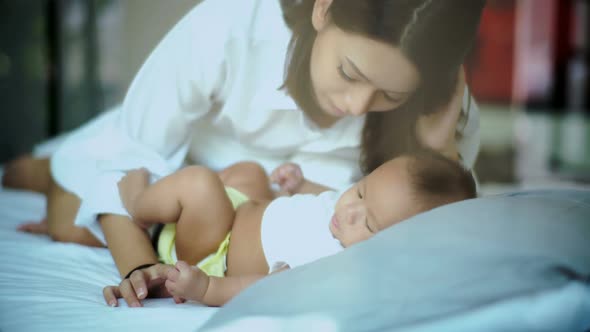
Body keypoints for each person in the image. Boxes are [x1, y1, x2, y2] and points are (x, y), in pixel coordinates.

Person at [2, 0, 486, 305]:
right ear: (322, 9)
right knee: (74, 213)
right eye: (349, 73)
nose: (358, 106)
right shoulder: (230, 26)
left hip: (247, 196)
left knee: (98, 218)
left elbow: (437, 214)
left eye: (390, 96)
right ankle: (51, 167)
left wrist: (436, 146)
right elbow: (136, 152)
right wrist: (138, 268)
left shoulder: (439, 111)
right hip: (174, 163)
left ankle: (59, 171)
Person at [106, 151, 476, 307]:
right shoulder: (348, 212)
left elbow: (264, 288)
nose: (349, 209)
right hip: (243, 211)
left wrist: (207, 288)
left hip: (214, 252)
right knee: (251, 172)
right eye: (361, 189)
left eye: (368, 223)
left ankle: (138, 203)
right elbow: (331, 199)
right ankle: (178, 200)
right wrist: (302, 185)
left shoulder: (334, 269)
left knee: (200, 185)